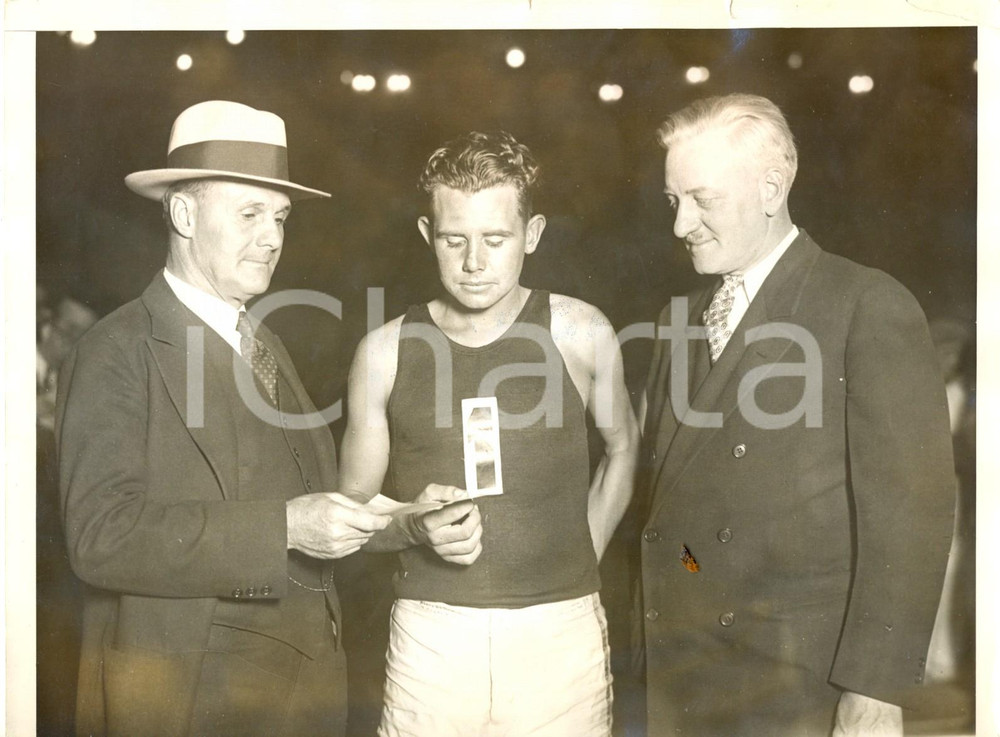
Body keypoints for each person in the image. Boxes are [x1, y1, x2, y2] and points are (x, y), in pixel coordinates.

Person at [55, 100, 391, 737]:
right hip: (192, 701)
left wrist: (401, 522)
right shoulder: (116, 349)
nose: (273, 237)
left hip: (303, 692)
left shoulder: (264, 342)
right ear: (184, 215)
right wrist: (287, 526)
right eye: (250, 213)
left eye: (280, 217)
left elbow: (312, 501)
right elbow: (101, 537)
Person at [636, 93, 956, 736]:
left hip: (802, 685)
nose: (681, 224)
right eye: (673, 201)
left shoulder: (864, 303)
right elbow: (675, 521)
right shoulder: (679, 319)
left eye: (702, 199)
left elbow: (911, 517)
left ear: (772, 188)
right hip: (683, 674)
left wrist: (874, 689)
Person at [337, 130, 639, 736]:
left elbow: (623, 447)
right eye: (454, 240)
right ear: (427, 234)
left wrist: (581, 551)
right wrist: (412, 525)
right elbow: (349, 513)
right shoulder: (384, 352)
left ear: (533, 233)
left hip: (561, 634)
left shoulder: (579, 330)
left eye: (495, 240)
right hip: (432, 638)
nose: (474, 263)